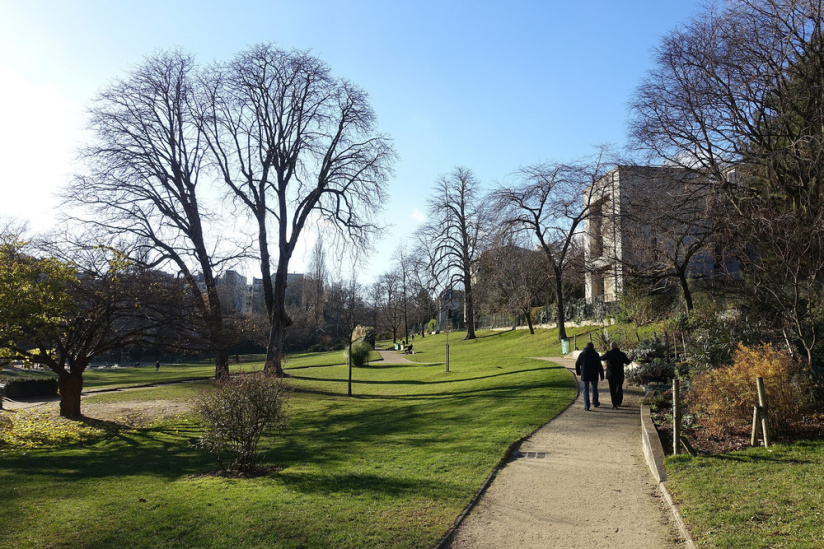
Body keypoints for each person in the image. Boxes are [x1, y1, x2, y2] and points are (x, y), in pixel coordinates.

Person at [601, 342, 631, 409]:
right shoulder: (621, 354)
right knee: (619, 388)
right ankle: (619, 401)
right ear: (617, 346)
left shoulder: (608, 353)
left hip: (611, 375)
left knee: (612, 389)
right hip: (619, 374)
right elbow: (628, 362)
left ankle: (614, 404)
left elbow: (601, 358)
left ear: (611, 347)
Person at [575, 342, 604, 410]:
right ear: (593, 347)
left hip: (585, 374)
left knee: (586, 390)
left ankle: (587, 405)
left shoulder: (582, 354)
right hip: (594, 374)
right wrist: (602, 375)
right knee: (594, 388)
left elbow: (577, 364)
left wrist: (579, 372)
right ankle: (595, 402)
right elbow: (599, 366)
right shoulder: (596, 355)